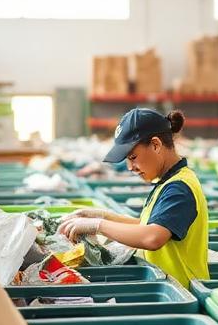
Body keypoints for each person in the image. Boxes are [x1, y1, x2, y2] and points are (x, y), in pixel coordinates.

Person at [59, 108, 208, 289]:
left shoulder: (179, 188)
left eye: (133, 157)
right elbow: (145, 226)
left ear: (155, 145)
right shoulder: (168, 182)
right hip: (167, 287)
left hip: (181, 290)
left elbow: (152, 237)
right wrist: (103, 216)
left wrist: (98, 225)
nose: (130, 167)